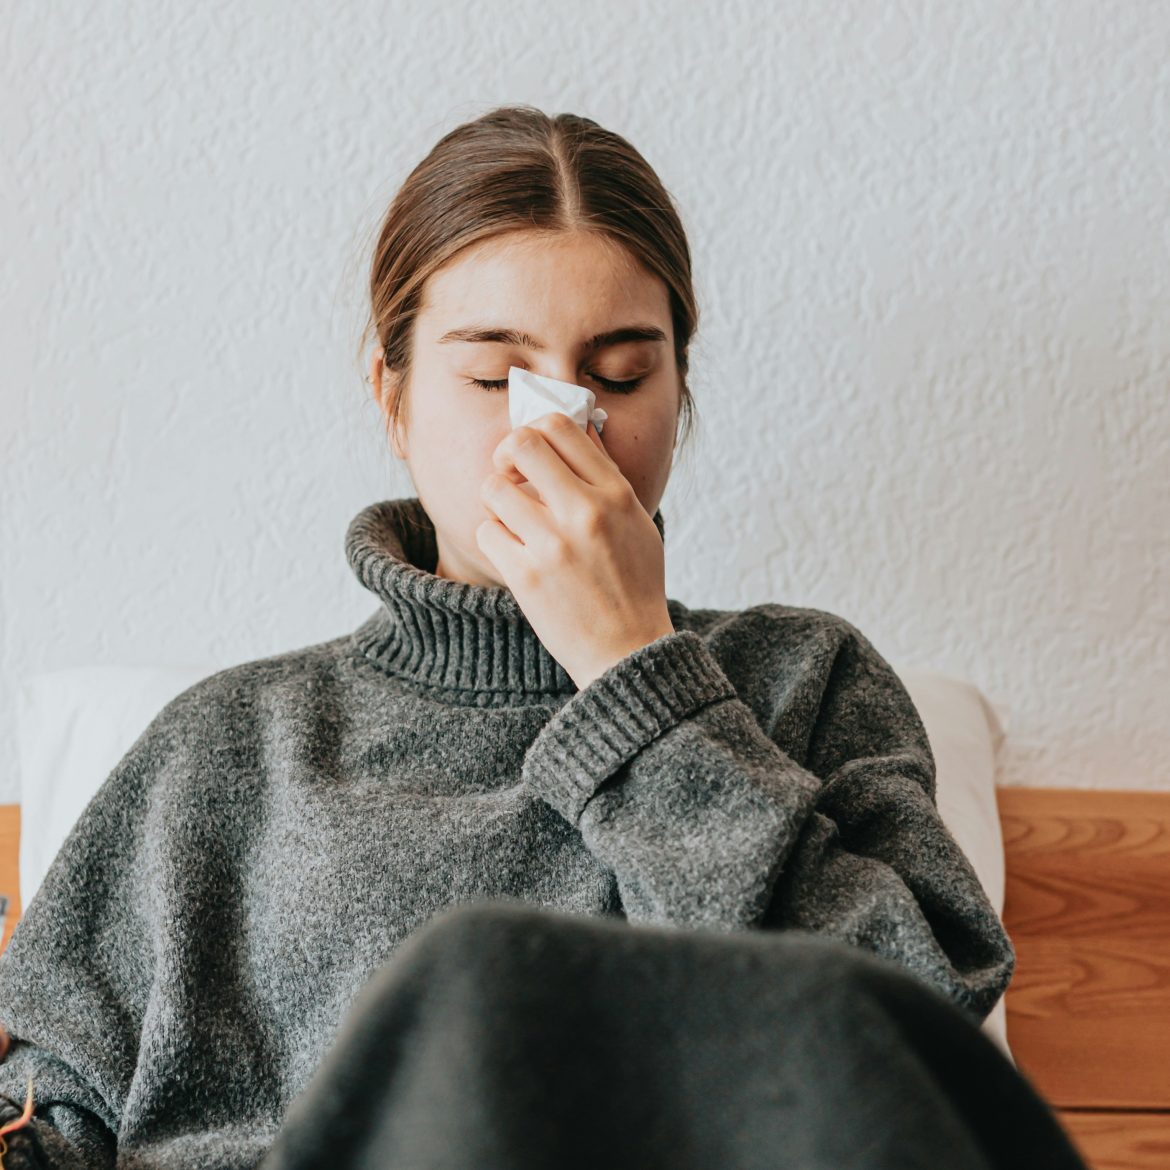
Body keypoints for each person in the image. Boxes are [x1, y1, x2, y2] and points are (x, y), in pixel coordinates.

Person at [0, 105, 1089, 1169]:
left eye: (620, 376)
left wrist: (634, 673)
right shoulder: (225, 747)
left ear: (679, 393)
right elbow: (51, 1113)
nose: (560, 427)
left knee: (485, 979)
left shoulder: (804, 683)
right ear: (392, 397)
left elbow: (909, 1069)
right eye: (492, 378)